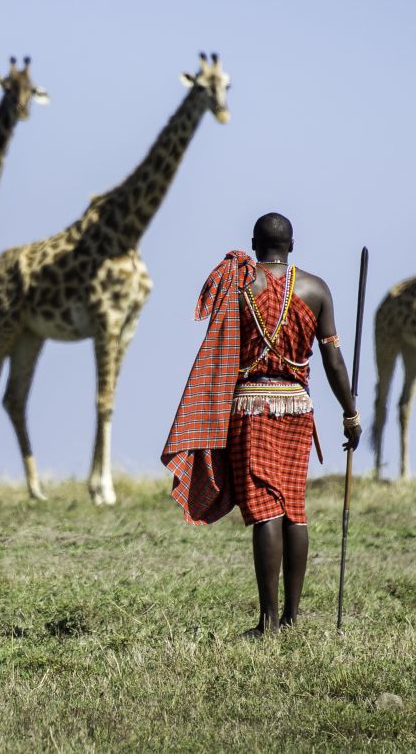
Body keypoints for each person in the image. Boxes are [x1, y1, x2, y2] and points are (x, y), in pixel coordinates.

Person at [161, 213, 361, 636]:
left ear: (254, 244)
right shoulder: (317, 289)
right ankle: (292, 618)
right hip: (297, 410)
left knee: (265, 509)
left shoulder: (239, 287)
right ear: (293, 244)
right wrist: (351, 413)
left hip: (250, 408)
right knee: (294, 508)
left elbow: (218, 355)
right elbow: (334, 360)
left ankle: (268, 621)